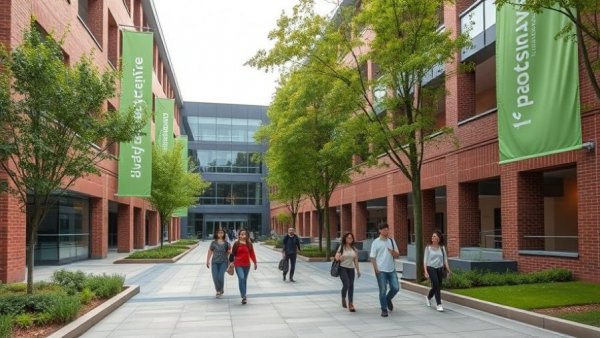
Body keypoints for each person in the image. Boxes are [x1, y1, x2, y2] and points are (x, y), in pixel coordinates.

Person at [369, 223, 400, 317]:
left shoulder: (391, 241)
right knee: (383, 289)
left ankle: (388, 299)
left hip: (391, 269)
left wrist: (393, 252)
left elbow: (397, 255)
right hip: (381, 269)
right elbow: (372, 257)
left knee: (395, 288)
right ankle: (384, 309)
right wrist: (375, 268)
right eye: (385, 229)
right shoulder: (375, 242)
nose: (387, 231)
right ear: (380, 230)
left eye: (388, 229)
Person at [424, 230, 452, 312]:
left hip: (439, 268)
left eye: (435, 236)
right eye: (432, 236)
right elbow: (425, 260)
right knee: (436, 284)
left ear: (439, 238)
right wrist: (425, 271)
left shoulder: (442, 248)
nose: (433, 237)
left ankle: (428, 297)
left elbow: (445, 260)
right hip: (431, 267)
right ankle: (439, 304)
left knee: (438, 286)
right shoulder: (428, 248)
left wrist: (448, 269)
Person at [229, 229, 257, 304]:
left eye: (244, 234)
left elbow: (252, 254)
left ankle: (244, 295)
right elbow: (232, 254)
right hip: (238, 263)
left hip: (247, 264)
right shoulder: (236, 243)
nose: (243, 235)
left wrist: (255, 262)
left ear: (247, 235)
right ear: (239, 235)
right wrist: (231, 262)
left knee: (244, 280)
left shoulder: (249, 244)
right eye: (241, 234)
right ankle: (243, 295)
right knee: (241, 278)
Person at [334, 232, 361, 312]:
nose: (350, 239)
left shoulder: (354, 249)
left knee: (351, 286)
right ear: (345, 239)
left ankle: (351, 304)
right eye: (348, 238)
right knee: (347, 284)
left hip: (351, 269)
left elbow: (355, 260)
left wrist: (358, 270)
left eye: (351, 238)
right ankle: (343, 297)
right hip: (343, 268)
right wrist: (339, 258)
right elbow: (336, 257)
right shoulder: (341, 247)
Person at [206, 228, 230, 298]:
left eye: (222, 232)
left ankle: (220, 289)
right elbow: (210, 251)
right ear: (216, 234)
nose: (220, 234)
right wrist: (207, 261)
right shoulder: (213, 243)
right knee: (215, 277)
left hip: (223, 262)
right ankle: (218, 290)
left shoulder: (226, 243)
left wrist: (228, 254)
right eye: (219, 232)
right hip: (215, 262)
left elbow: (229, 252)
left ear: (224, 234)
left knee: (220, 276)